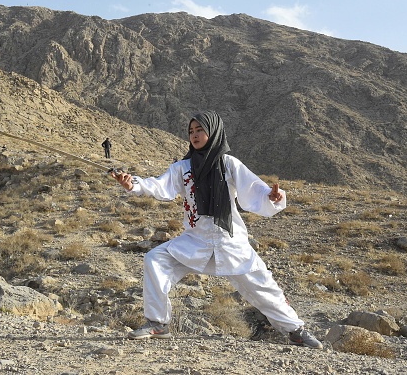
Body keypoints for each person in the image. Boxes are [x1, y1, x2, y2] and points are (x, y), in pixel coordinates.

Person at [111, 111, 322, 349]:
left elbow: (253, 189)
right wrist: (134, 184)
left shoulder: (229, 164)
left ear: (213, 132)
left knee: (262, 285)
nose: (195, 135)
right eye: (191, 131)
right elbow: (160, 185)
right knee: (156, 259)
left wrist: (272, 196)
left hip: (229, 242)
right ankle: (158, 323)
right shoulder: (183, 168)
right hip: (195, 241)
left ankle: (295, 330)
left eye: (200, 130)